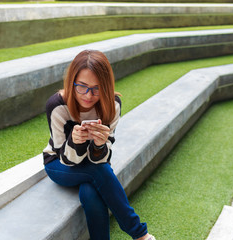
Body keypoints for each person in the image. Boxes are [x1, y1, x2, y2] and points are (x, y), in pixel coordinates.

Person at [43, 50, 156, 240]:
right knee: (96, 172)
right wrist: (75, 141)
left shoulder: (112, 104)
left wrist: (99, 145)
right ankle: (140, 234)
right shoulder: (57, 105)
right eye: (82, 87)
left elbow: (104, 158)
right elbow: (65, 158)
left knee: (90, 191)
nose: (88, 95)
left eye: (97, 89)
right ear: (72, 82)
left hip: (96, 165)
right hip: (59, 164)